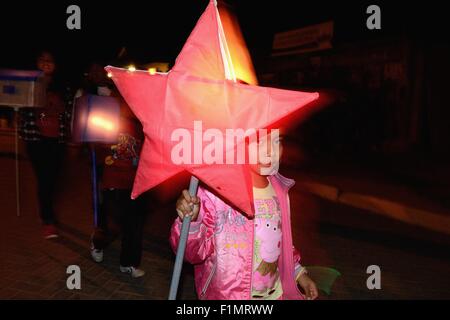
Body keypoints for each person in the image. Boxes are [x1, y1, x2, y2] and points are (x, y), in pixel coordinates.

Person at [171, 131, 319, 300]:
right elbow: (191, 254)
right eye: (259, 141)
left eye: (277, 141)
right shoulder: (217, 192)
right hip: (228, 296)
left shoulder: (279, 189)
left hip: (274, 295)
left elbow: (280, 241)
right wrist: (191, 222)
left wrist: (298, 273)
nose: (270, 150)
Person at [75, 62, 146, 278]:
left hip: (134, 181)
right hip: (111, 179)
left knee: (134, 225)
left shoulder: (139, 118)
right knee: (112, 224)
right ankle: (98, 242)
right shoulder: (104, 111)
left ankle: (129, 263)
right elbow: (89, 140)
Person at [20, 50, 67, 239]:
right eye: (42, 59)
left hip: (57, 139)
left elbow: (69, 111)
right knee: (45, 178)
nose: (46, 63)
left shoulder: (63, 86)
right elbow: (19, 104)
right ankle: (48, 220)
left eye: (50, 60)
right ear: (36, 62)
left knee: (52, 179)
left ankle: (46, 213)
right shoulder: (29, 83)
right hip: (36, 139)